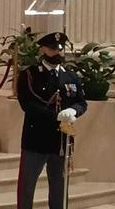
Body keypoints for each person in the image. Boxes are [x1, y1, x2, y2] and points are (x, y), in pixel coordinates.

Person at [17, 32, 87, 209]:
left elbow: (81, 102)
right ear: (42, 49)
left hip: (61, 142)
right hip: (36, 140)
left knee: (59, 188)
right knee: (27, 186)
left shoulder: (70, 77)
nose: (57, 52)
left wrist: (74, 111)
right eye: (52, 49)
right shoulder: (30, 75)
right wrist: (54, 116)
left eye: (60, 49)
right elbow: (28, 104)